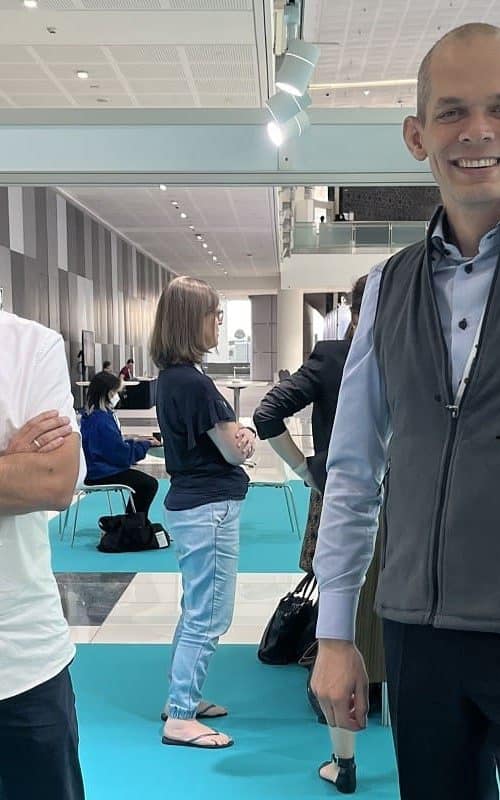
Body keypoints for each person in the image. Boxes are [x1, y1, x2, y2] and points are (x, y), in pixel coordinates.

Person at [311, 22, 500, 800]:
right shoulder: (388, 287)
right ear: (418, 136)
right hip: (417, 634)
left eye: (498, 109)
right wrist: (334, 633)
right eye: (453, 111)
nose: (478, 131)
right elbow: (353, 468)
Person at [254, 276, 385, 795]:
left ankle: (343, 759)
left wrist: (308, 470)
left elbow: (267, 412)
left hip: (344, 498)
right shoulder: (414, 351)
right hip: (410, 508)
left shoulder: (335, 356)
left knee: (342, 614)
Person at [150, 275, 256, 750]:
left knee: (196, 608)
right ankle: (179, 716)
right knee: (209, 615)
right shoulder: (194, 383)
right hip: (208, 507)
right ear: (193, 321)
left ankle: (181, 700)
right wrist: (245, 439)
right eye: (215, 315)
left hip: (192, 504)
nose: (219, 323)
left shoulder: (171, 380)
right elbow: (233, 449)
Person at [0, 309, 85, 798]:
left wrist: (28, 472)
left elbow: (53, 481)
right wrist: (10, 465)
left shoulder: (31, 347)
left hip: (21, 658)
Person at [80, 371, 159, 520]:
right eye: (115, 392)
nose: (117, 396)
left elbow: (112, 446)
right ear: (108, 394)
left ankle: (133, 521)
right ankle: (134, 524)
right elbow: (120, 455)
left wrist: (135, 441)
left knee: (143, 483)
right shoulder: (102, 421)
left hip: (93, 468)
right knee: (148, 484)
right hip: (101, 472)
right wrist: (144, 445)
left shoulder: (90, 416)